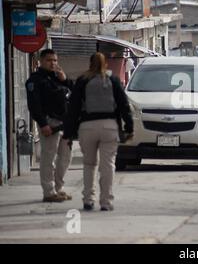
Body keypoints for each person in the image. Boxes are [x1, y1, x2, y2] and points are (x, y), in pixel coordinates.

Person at [64, 52, 133, 211]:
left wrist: (68, 133)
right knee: (108, 165)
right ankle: (106, 202)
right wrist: (129, 128)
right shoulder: (113, 79)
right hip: (109, 126)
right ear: (106, 64)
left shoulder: (82, 80)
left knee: (89, 164)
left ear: (90, 64)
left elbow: (73, 108)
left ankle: (88, 200)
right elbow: (124, 105)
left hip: (87, 126)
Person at [26, 49, 73, 203]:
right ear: (40, 61)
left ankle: (58, 188)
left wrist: (65, 80)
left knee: (66, 157)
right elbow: (34, 105)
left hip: (64, 123)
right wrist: (42, 123)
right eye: (49, 60)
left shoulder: (58, 78)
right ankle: (49, 191)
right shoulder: (36, 80)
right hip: (49, 123)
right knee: (49, 158)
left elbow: (73, 93)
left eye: (55, 60)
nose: (53, 63)